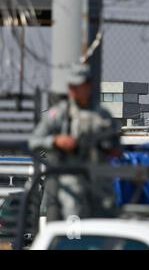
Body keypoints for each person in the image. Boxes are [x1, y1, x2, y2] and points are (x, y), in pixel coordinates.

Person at [29, 62, 120, 221]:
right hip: (70, 177)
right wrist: (56, 141)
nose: (73, 90)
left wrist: (111, 148)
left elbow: (117, 146)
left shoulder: (102, 115)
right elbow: (34, 141)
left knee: (106, 219)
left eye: (78, 85)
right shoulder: (59, 114)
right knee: (74, 218)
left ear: (88, 86)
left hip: (99, 178)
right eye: (71, 86)